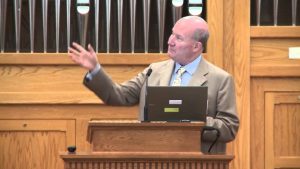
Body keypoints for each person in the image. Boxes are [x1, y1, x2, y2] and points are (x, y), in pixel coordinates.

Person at [68, 16, 239, 153]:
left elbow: (229, 128)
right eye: (172, 34)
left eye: (178, 38)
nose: (170, 41)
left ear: (196, 46)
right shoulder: (153, 71)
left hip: (197, 161)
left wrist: (193, 121)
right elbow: (119, 95)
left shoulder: (220, 79)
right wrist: (95, 69)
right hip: (153, 157)